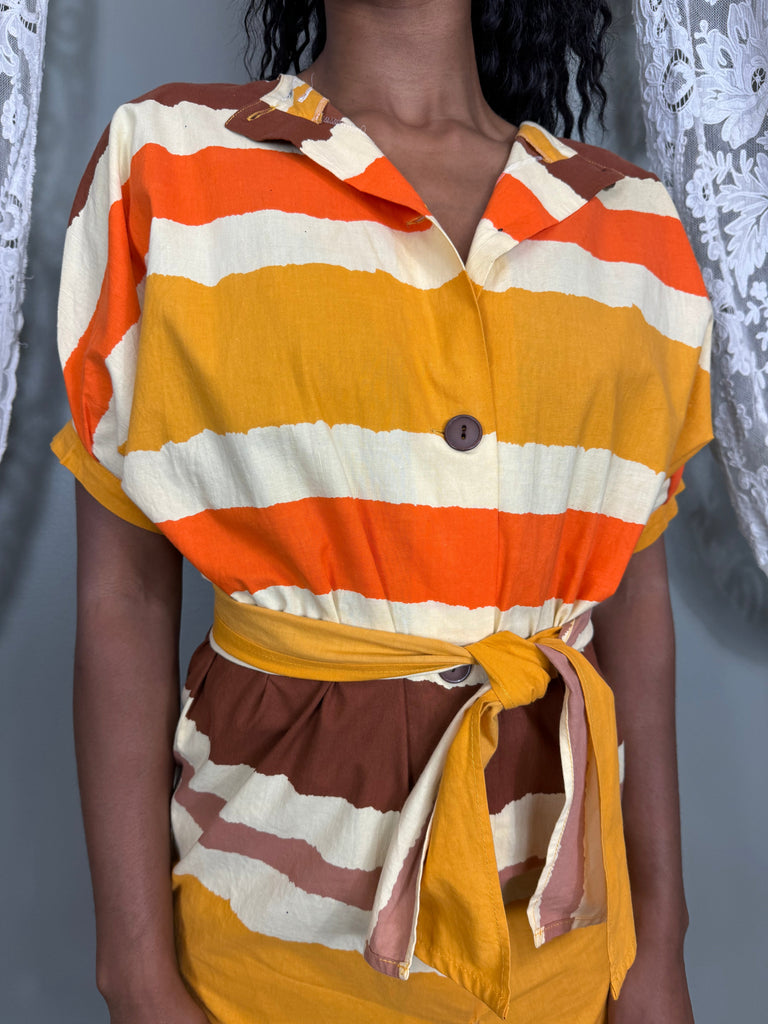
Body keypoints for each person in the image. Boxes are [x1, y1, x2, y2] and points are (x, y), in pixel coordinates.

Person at [51, 1, 713, 1022]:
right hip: (266, 956)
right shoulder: (169, 166)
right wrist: (133, 971)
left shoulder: (628, 223)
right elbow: (124, 597)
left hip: (562, 957)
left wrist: (659, 938)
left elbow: (632, 604)